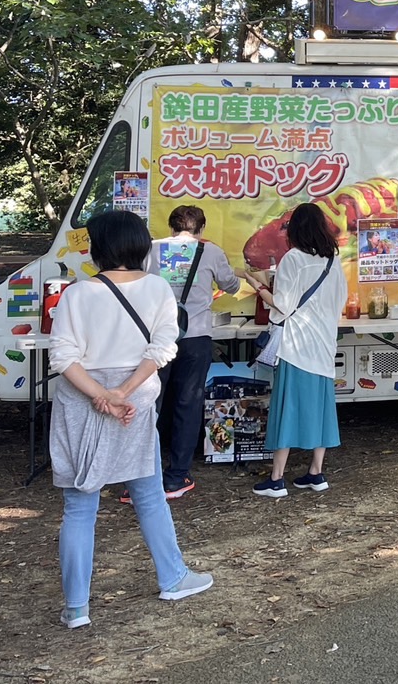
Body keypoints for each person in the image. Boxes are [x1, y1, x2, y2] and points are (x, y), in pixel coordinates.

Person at [48, 210, 213, 629]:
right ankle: (173, 577)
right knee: (150, 494)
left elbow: (63, 357)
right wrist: (121, 392)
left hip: (81, 402)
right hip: (134, 404)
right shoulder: (158, 288)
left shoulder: (77, 294)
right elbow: (162, 350)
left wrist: (102, 393)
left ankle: (76, 609)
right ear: (140, 244)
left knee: (79, 507)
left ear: (97, 248)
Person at [140, 205, 253, 502]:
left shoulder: (150, 249)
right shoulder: (211, 252)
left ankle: (138, 479)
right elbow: (230, 284)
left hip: (155, 339)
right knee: (187, 405)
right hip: (195, 336)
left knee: (148, 404)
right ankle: (177, 476)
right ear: (201, 229)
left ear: (171, 227)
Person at [249, 204, 348, 497]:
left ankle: (277, 479)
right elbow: (338, 301)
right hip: (324, 344)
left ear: (295, 230)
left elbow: (283, 304)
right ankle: (316, 473)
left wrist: (255, 284)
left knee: (287, 409)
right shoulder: (333, 260)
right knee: (321, 409)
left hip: (297, 346)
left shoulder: (293, 259)